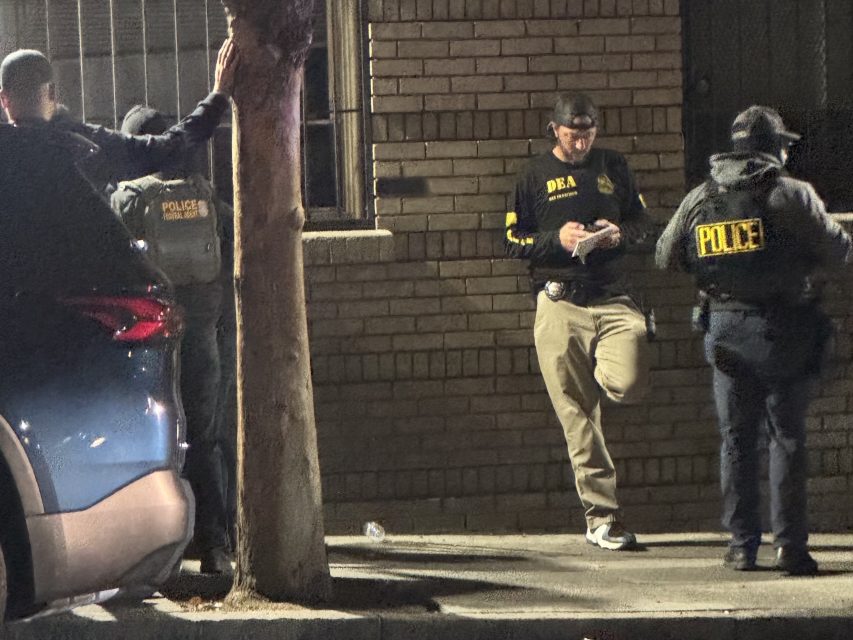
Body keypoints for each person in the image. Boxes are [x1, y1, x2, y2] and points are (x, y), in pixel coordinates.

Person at [656, 106, 852, 575]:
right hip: (784, 330)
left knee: (736, 440)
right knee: (787, 437)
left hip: (724, 329)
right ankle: (790, 548)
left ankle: (742, 547)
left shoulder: (702, 196)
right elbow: (840, 251)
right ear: (773, 148)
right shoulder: (791, 193)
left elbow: (665, 255)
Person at [505, 92, 652, 550]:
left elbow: (643, 223)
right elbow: (511, 239)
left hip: (611, 297)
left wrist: (618, 234)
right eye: (573, 135)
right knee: (577, 415)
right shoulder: (532, 175)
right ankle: (602, 519)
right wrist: (558, 239)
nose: (582, 143)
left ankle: (605, 369)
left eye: (588, 134)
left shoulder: (614, 165)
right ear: (555, 130)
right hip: (559, 302)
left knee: (628, 381)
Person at [111, 106, 235, 575]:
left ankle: (164, 554)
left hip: (150, 345)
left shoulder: (127, 199)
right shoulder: (203, 195)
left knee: (156, 445)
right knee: (205, 439)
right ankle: (216, 547)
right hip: (204, 336)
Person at [0, 38, 236, 194]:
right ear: (52, 93)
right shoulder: (86, 145)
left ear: (4, 99)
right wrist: (218, 96)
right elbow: (169, 147)